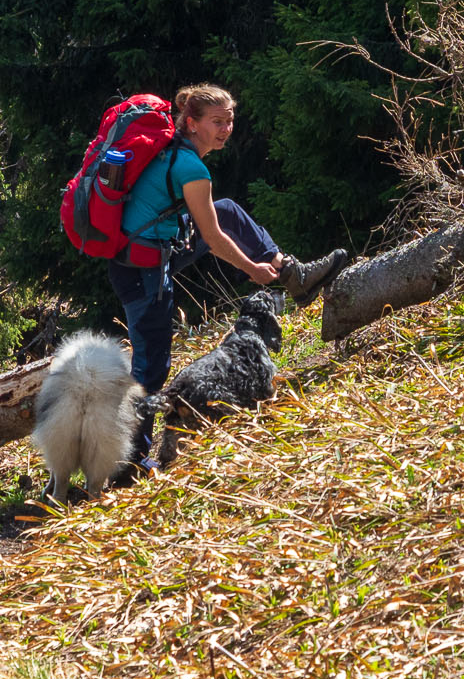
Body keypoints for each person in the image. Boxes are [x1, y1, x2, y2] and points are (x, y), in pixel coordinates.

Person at [110, 83, 348, 461]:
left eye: (230, 121)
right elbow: (213, 239)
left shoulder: (174, 152)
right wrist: (252, 268)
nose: (225, 129)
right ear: (190, 123)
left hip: (151, 253)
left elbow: (208, 223)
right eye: (217, 122)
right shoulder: (191, 167)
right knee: (151, 365)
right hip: (142, 270)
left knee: (228, 210)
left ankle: (292, 275)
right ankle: (131, 460)